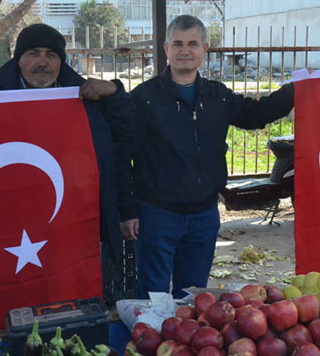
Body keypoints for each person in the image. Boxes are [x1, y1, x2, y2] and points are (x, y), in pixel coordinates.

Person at [120, 15, 295, 299]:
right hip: (156, 215)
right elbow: (122, 156)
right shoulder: (144, 98)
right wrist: (127, 210)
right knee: (152, 298)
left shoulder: (218, 96)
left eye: (192, 43)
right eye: (177, 43)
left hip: (204, 215)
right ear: (166, 48)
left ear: (205, 49)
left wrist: (296, 89)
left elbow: (256, 114)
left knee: (193, 298)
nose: (184, 50)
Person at [0, 23, 132, 292]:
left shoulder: (88, 98)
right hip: (14, 223)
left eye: (51, 55)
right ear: (19, 60)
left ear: (61, 61)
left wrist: (116, 94)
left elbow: (123, 143)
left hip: (75, 220)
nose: (42, 62)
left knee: (74, 290)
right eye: (33, 53)